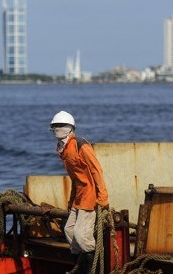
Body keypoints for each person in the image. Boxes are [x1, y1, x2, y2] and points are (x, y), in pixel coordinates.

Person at [49, 111, 109, 274]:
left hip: (90, 196)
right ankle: (80, 268)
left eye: (60, 126)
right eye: (55, 126)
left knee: (81, 236)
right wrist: (71, 200)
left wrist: (103, 196)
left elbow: (96, 169)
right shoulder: (62, 149)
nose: (57, 129)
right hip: (78, 196)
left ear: (69, 128)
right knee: (69, 230)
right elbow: (75, 177)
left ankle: (93, 270)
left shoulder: (80, 144)